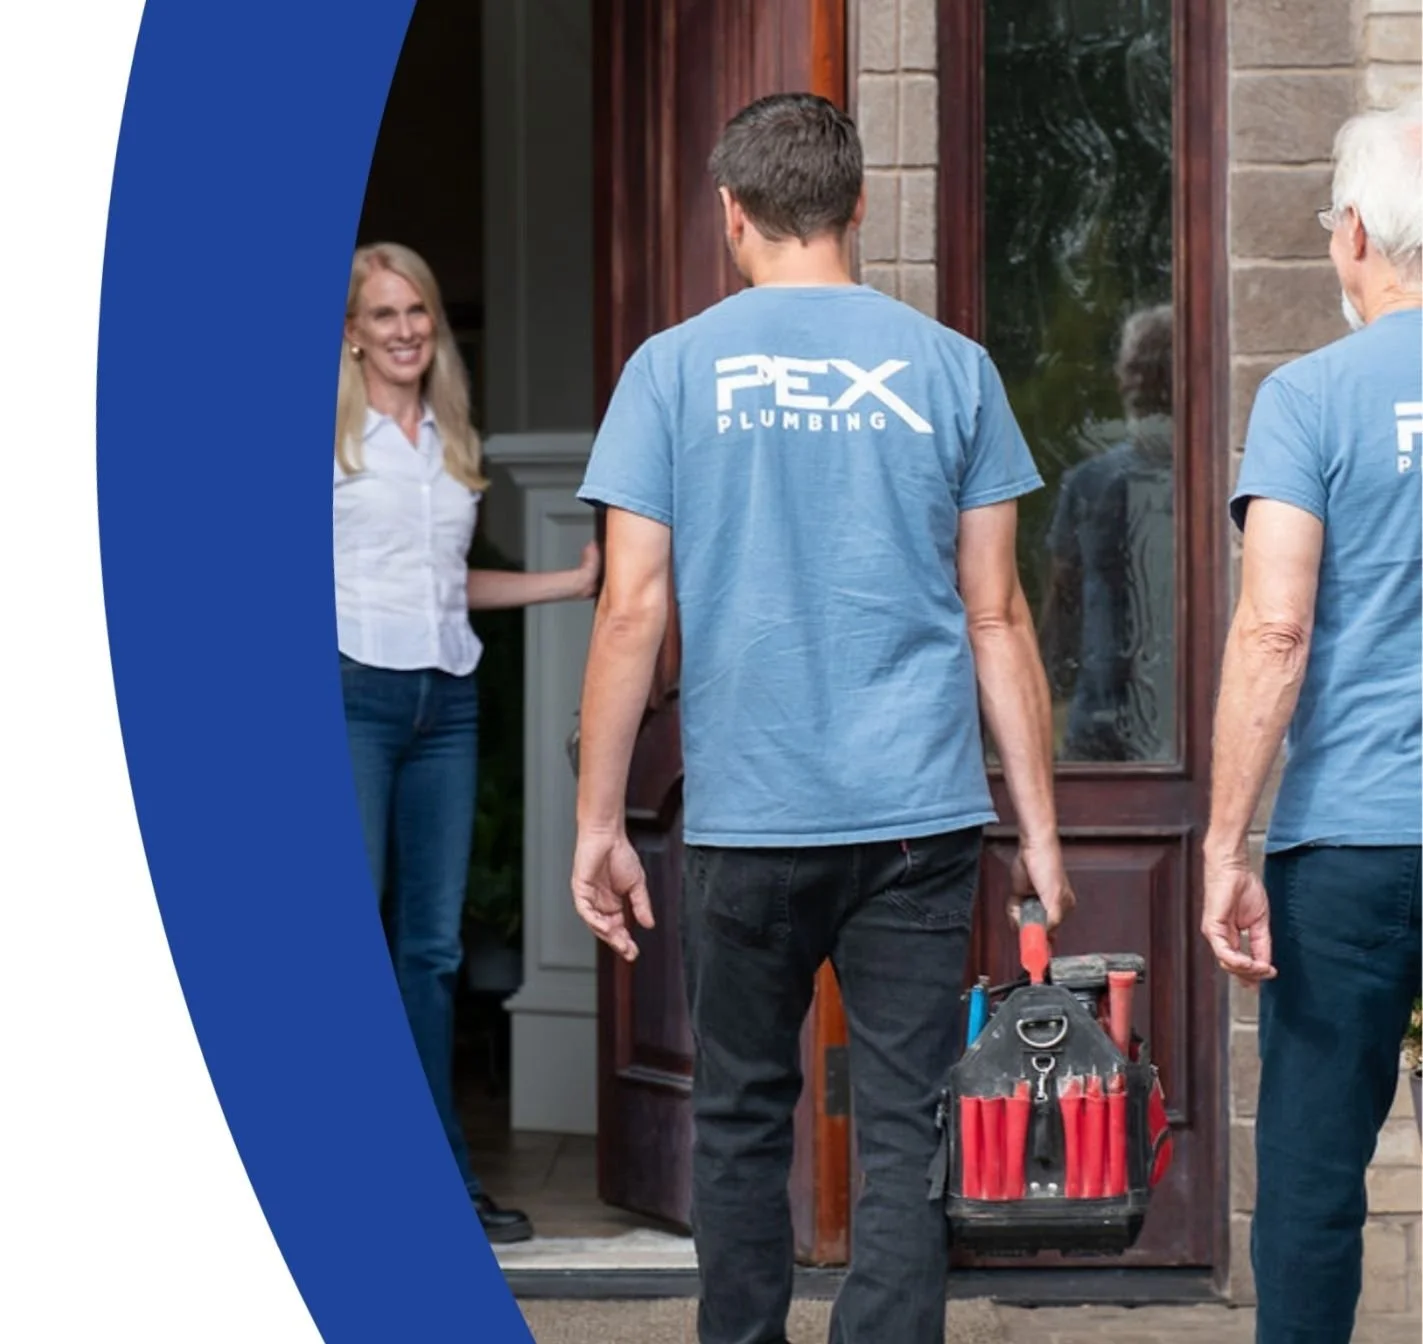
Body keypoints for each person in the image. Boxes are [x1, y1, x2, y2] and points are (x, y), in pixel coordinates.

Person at [566, 94, 1075, 1342]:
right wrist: (1045, 836)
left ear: (732, 215)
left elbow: (633, 611)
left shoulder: (671, 370)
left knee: (740, 1113)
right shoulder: (953, 368)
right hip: (919, 820)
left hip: (746, 816)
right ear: (858, 207)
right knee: (905, 1121)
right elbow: (997, 616)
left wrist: (598, 824)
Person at [1201, 97, 1423, 1344]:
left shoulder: (1309, 397)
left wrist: (1228, 847)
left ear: (1351, 236)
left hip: (1345, 851)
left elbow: (1275, 633)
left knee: (1310, 1182)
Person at [333, 241, 601, 1245]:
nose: (406, 330)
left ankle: (441, 1178)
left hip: (445, 703)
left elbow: (450, 589)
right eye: (385, 314)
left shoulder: (448, 437)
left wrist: (565, 586)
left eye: (419, 312)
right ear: (352, 333)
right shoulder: (326, 436)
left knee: (433, 954)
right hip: (352, 694)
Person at [1041, 304, 1176, 762]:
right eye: (1132, 367)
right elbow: (1060, 605)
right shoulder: (1087, 483)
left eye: (1151, 367)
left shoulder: (1209, 482)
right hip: (1095, 718)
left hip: (1181, 724)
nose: (1136, 380)